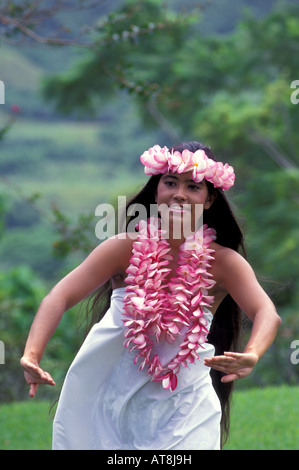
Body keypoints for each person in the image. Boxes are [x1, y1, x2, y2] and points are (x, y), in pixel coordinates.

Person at [21, 141, 281, 450]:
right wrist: (32, 354)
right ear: (156, 189)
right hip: (109, 396)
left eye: (193, 186)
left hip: (186, 403)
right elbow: (59, 296)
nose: (179, 193)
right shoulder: (123, 248)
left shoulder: (224, 263)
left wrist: (252, 353)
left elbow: (266, 311)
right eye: (170, 182)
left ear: (209, 199)